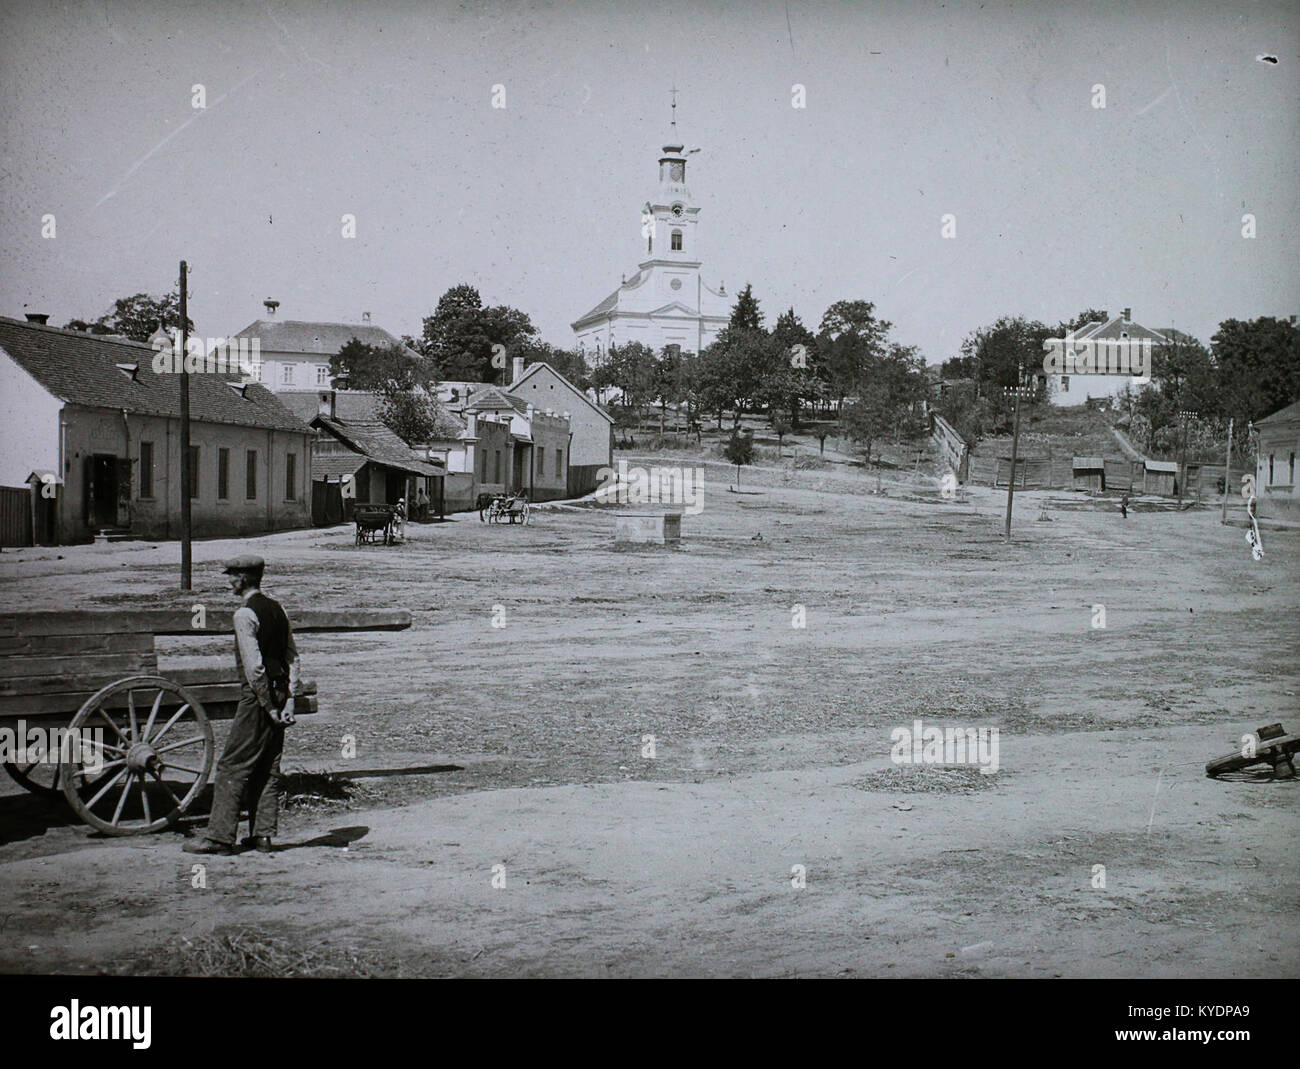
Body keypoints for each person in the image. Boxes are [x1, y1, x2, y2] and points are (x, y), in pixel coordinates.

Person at [184, 555, 300, 856]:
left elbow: (255, 668)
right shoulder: (278, 608)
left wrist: (267, 706)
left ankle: (220, 838)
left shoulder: (244, 615)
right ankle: (262, 836)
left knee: (232, 765)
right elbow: (292, 657)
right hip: (278, 693)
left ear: (245, 579)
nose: (229, 581)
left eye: (232, 576)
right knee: (268, 767)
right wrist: (288, 700)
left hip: (257, 697)